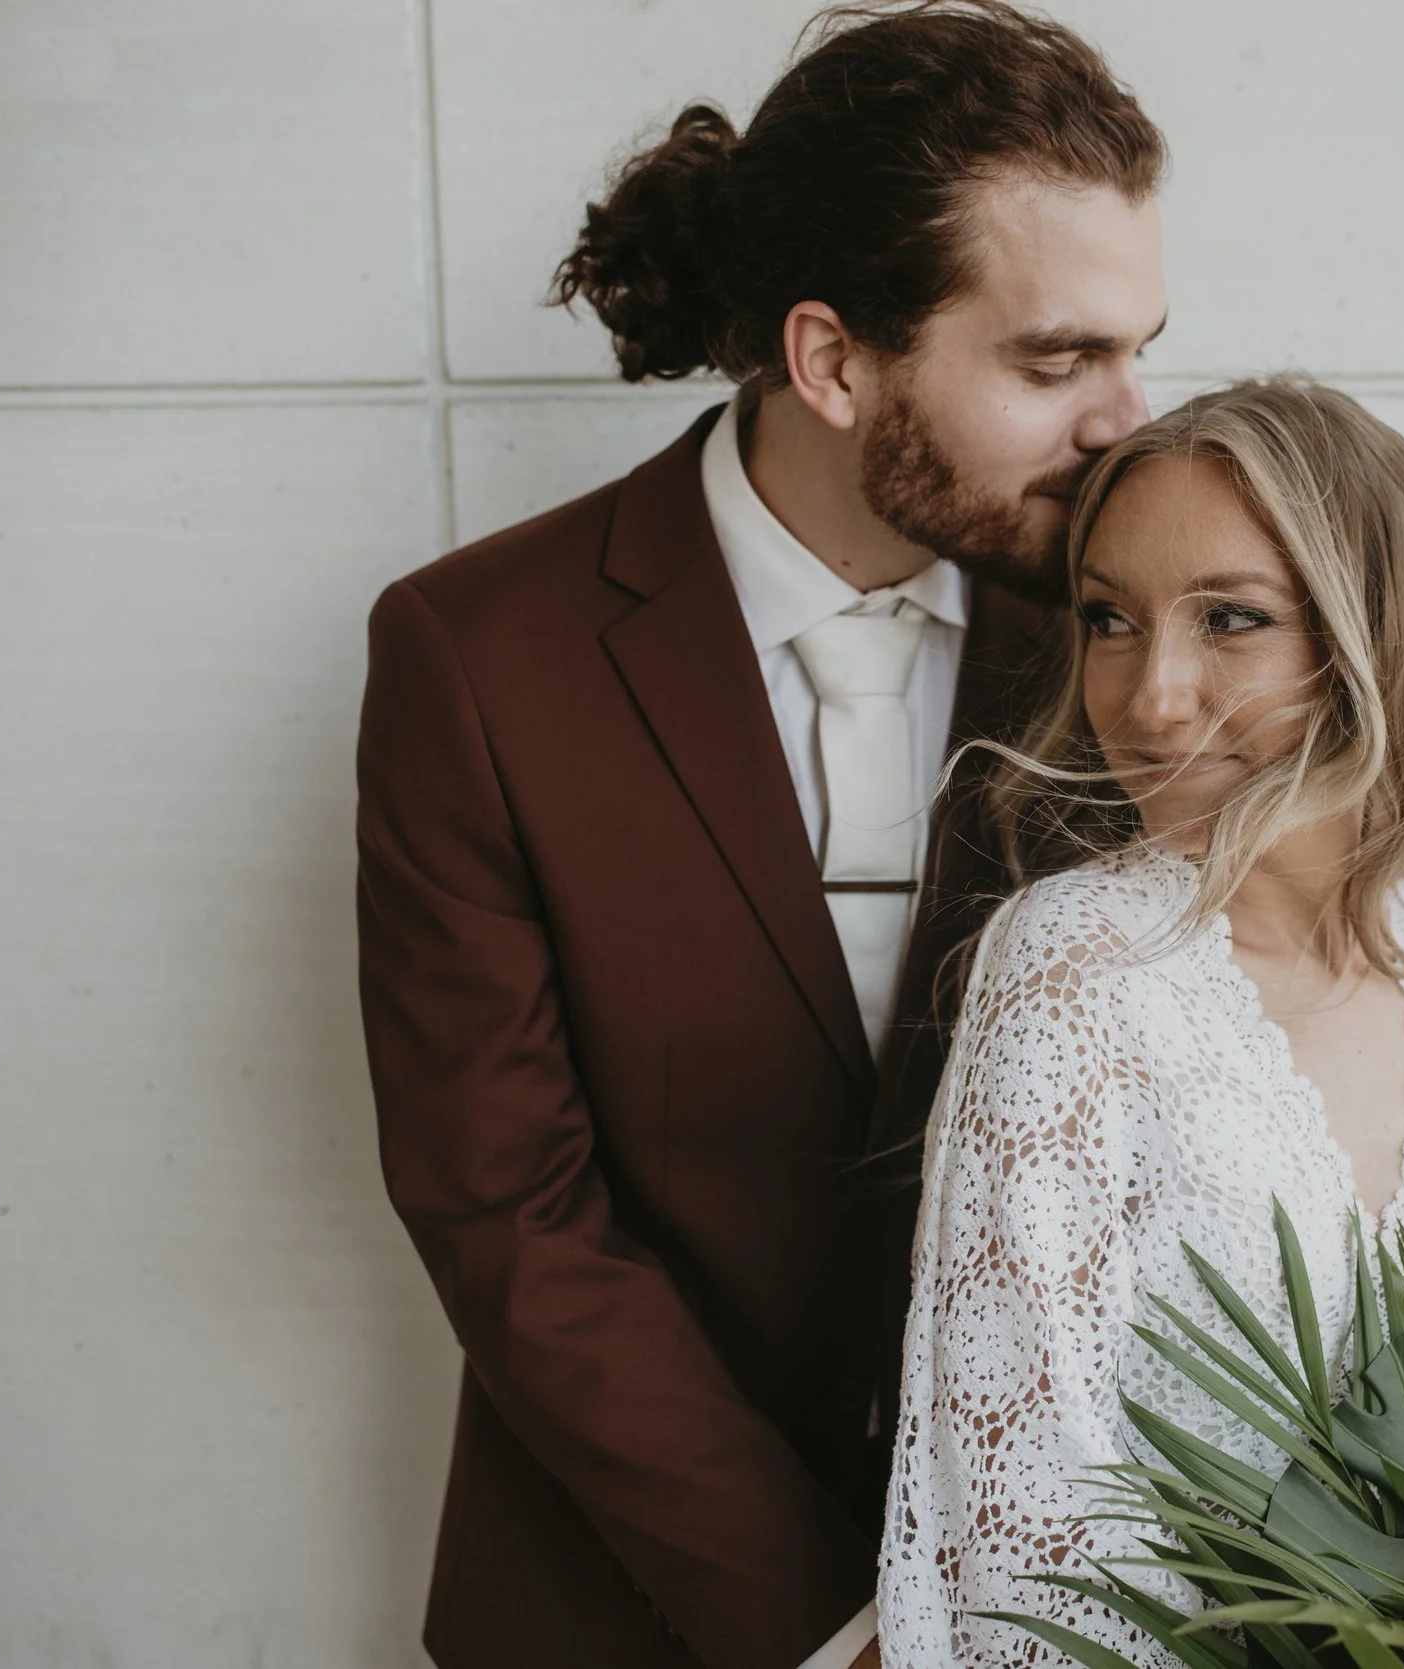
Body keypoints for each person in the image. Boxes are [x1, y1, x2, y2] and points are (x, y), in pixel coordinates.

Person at [353, 6, 1164, 1667]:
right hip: (620, 1602)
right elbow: (504, 1207)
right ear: (832, 360)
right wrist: (832, 1622)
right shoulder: (477, 657)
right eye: (1054, 358)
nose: (1125, 423)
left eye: (1139, 349)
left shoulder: (1143, 640)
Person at [874, 378, 1404, 1667]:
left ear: (1393, 635)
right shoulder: (1076, 968)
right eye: (1111, 621)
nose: (1149, 699)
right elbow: (1027, 1523)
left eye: (1231, 619)